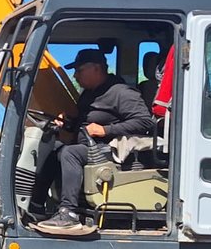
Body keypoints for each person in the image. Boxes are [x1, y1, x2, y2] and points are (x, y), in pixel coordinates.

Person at [31, 48, 154, 236]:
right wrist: (68, 123)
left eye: (79, 70)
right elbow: (85, 124)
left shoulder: (121, 92)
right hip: (90, 146)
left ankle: (69, 213)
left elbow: (145, 122)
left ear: (96, 68)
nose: (75, 75)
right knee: (54, 147)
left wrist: (105, 130)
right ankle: (37, 206)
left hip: (111, 149)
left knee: (70, 153)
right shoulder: (89, 94)